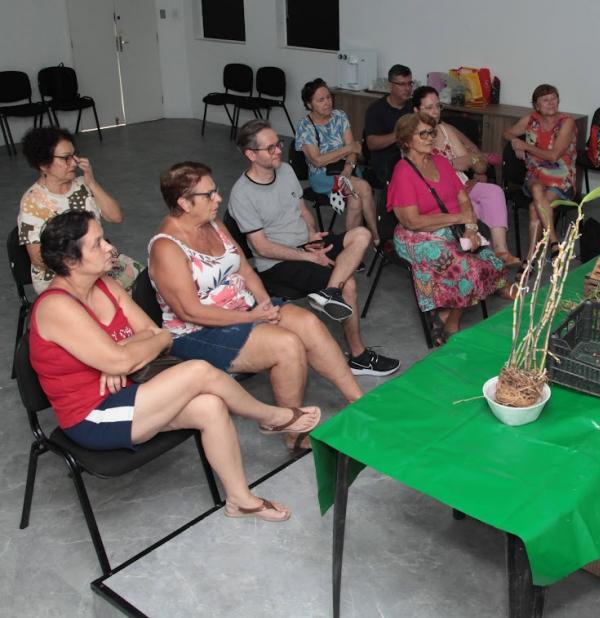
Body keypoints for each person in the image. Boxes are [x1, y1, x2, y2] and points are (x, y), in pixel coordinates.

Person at [30, 210, 320, 521]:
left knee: (209, 405)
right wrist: (120, 356)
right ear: (71, 261)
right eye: (97, 244)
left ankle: (240, 499)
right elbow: (127, 357)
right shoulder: (56, 306)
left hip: (132, 394)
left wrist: (120, 352)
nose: (110, 248)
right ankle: (273, 417)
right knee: (197, 371)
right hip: (92, 415)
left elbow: (162, 335)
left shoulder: (105, 286)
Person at [149, 161, 369, 451]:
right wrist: (254, 315)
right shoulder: (167, 247)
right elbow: (189, 311)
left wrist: (263, 302)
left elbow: (245, 268)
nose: (218, 198)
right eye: (209, 194)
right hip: (197, 331)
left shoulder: (213, 224)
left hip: (243, 309)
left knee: (308, 323)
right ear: (184, 203)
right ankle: (293, 431)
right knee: (287, 345)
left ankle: (359, 400)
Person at [227, 120, 401, 376]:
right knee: (349, 284)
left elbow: (301, 209)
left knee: (361, 234)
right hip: (278, 263)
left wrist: (311, 233)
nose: (278, 151)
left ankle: (330, 291)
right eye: (271, 148)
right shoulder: (242, 194)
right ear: (251, 154)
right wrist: (308, 257)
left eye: (279, 144)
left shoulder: (284, 170)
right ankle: (359, 356)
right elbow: (262, 248)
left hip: (306, 246)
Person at [388, 112, 512, 345]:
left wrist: (471, 228)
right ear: (406, 141)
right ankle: (452, 321)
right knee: (470, 269)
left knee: (492, 260)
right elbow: (412, 221)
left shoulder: (442, 162)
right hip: (416, 236)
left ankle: (448, 314)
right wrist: (459, 218)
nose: (429, 138)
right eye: (422, 134)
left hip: (450, 227)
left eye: (431, 132)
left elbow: (463, 197)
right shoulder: (403, 171)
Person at [17, 126, 141, 293]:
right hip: (61, 277)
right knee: (117, 297)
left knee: (147, 281)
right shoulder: (32, 202)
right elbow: (38, 258)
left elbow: (116, 216)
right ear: (44, 165)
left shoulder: (82, 185)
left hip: (97, 263)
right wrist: (87, 265)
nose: (74, 162)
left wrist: (92, 183)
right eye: (65, 158)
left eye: (74, 155)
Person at [412, 86, 520, 268]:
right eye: (429, 107)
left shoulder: (445, 129)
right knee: (474, 210)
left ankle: (500, 250)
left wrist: (453, 164)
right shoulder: (413, 135)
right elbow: (423, 168)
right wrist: (452, 164)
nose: (435, 112)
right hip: (439, 192)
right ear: (416, 111)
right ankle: (482, 262)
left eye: (438, 106)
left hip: (461, 183)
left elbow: (468, 160)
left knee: (493, 192)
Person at [295, 78, 379, 245]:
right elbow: (318, 161)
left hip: (346, 169)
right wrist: (348, 149)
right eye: (321, 100)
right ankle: (376, 237)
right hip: (322, 176)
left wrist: (348, 167)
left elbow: (354, 151)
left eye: (328, 97)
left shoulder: (340, 116)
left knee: (355, 199)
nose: (327, 103)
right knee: (364, 187)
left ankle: (350, 247)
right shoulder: (305, 126)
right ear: (309, 104)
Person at [503, 84, 577, 251]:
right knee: (536, 188)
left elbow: (553, 155)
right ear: (536, 105)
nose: (551, 103)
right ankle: (554, 242)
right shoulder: (531, 120)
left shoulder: (567, 122)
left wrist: (525, 146)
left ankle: (530, 260)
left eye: (554, 98)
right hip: (535, 174)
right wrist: (515, 143)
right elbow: (507, 133)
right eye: (545, 100)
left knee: (534, 207)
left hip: (560, 177)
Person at [364, 64, 414, 184]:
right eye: (402, 84)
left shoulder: (413, 106)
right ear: (390, 86)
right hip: (385, 161)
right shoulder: (376, 109)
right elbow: (371, 143)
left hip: (411, 155)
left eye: (409, 83)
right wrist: (399, 134)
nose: (407, 88)